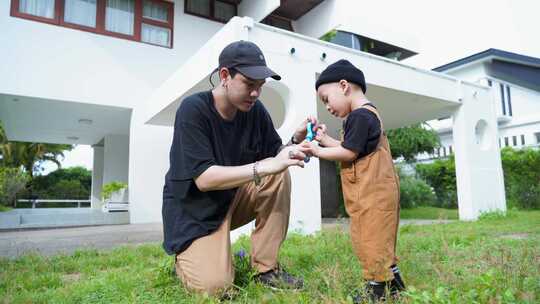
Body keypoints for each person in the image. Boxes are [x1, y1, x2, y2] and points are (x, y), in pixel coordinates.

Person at [162, 40, 317, 296]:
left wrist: (295, 142)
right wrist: (266, 166)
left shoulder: (255, 111)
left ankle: (266, 271)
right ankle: (187, 258)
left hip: (231, 199)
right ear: (225, 76)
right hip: (194, 214)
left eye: (260, 87)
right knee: (216, 287)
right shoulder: (194, 110)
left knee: (277, 175)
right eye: (249, 84)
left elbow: (274, 157)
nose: (256, 93)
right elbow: (204, 179)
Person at [301, 59, 406, 302]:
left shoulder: (360, 116)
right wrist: (324, 139)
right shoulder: (367, 115)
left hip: (372, 194)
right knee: (381, 237)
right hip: (375, 192)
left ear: (344, 85)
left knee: (371, 238)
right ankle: (395, 282)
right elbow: (352, 147)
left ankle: (377, 288)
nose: (326, 106)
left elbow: (347, 153)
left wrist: (316, 151)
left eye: (326, 98)